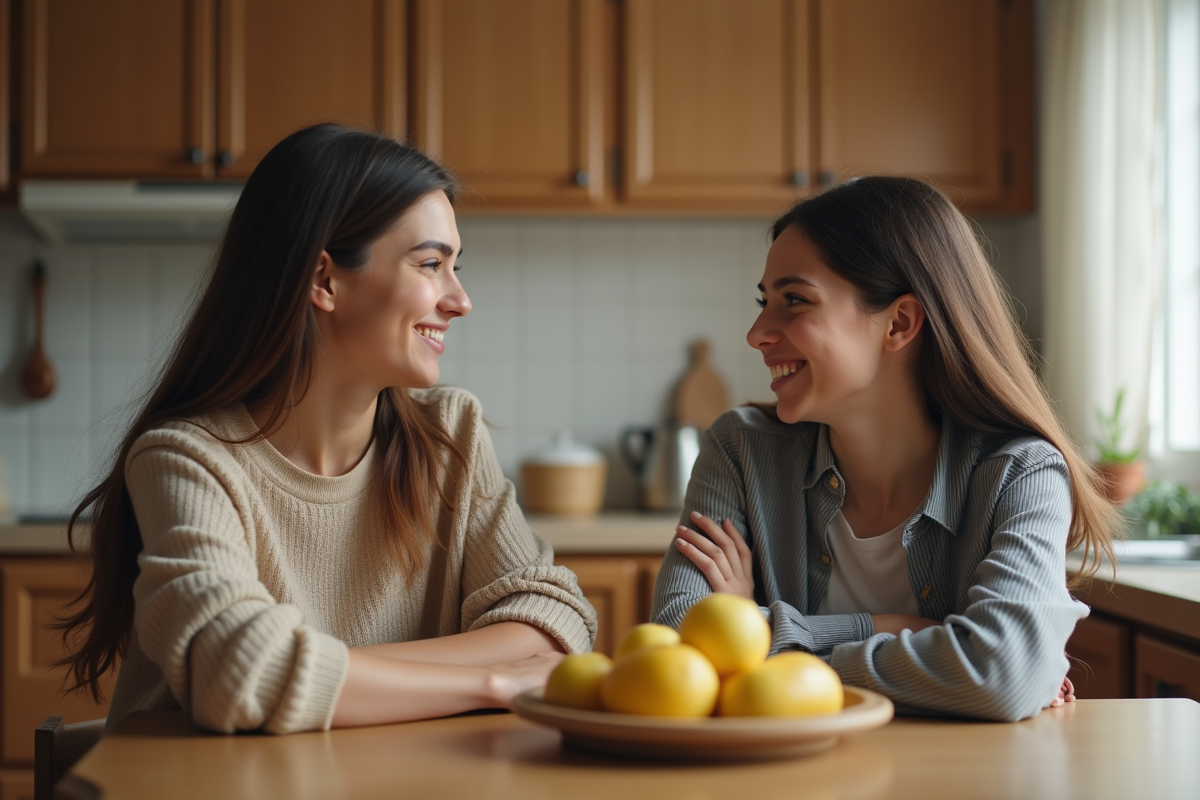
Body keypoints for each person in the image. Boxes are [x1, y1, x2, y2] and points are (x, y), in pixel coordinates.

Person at [59, 124, 596, 735]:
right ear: (324, 280)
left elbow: (555, 618)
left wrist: (308, 672)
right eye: (430, 265)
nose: (460, 299)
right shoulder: (188, 459)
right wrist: (492, 680)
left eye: (455, 267)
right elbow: (236, 673)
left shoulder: (452, 435)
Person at [652, 177, 1116, 722]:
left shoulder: (1021, 473)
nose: (757, 332)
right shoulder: (740, 449)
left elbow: (1003, 673)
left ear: (898, 324)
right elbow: (681, 651)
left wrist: (757, 633)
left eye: (793, 300)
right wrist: (903, 630)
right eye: (765, 301)